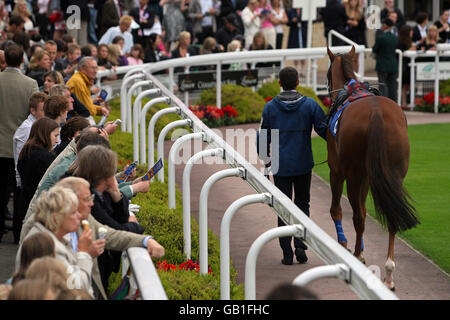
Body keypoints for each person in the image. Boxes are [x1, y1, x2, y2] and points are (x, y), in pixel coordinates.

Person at [256, 66, 327, 265]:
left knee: (283, 208)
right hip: (303, 162)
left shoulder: (270, 107)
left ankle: (287, 252)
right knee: (303, 205)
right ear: (298, 82)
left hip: (280, 164)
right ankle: (301, 246)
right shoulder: (310, 105)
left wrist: (267, 160)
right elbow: (325, 130)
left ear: (279, 84)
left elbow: (262, 139)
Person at [55, 176, 165, 299]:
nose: (92, 203)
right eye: (87, 199)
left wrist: (145, 240)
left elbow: (111, 235)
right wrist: (85, 255)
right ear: (70, 203)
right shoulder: (47, 241)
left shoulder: (81, 218)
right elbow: (72, 287)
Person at [18, 186, 104, 297]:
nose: (79, 216)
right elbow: (76, 287)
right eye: (73, 213)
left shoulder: (56, 237)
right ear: (56, 217)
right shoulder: (45, 246)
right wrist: (84, 254)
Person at [0, 43, 38, 243]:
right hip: (21, 146)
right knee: (19, 191)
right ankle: (17, 234)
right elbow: (34, 115)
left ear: (5, 59)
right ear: (22, 60)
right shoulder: (30, 84)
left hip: (1, 146)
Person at [12, 92, 48, 242]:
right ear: (33, 111)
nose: (46, 113)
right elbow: (21, 157)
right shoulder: (28, 128)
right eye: (42, 110)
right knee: (23, 212)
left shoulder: (33, 126)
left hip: (24, 179)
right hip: (24, 180)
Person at [17, 117, 59, 211]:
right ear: (45, 134)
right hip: (38, 205)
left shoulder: (26, 150)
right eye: (55, 136)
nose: (57, 141)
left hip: (24, 202)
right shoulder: (44, 157)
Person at [373, 18, 398, 103]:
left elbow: (375, 49)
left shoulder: (381, 37)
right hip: (393, 64)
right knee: (392, 86)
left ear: (386, 26)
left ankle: (383, 102)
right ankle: (393, 103)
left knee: (382, 85)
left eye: (383, 24)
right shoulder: (395, 37)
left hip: (382, 64)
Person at [342, 0, 366, 72]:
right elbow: (341, 23)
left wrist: (357, 24)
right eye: (352, 1)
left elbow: (363, 27)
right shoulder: (345, 12)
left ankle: (354, 77)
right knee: (347, 59)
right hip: (347, 37)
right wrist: (348, 22)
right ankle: (347, 77)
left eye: (355, 1)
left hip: (357, 38)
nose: (353, 2)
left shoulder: (361, 13)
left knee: (355, 59)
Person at [397, 24, 416, 108]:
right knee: (404, 85)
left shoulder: (410, 41)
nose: (412, 32)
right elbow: (400, 53)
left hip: (409, 65)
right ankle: (403, 102)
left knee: (408, 84)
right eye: (411, 31)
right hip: (403, 65)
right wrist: (410, 50)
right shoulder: (400, 42)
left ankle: (408, 101)